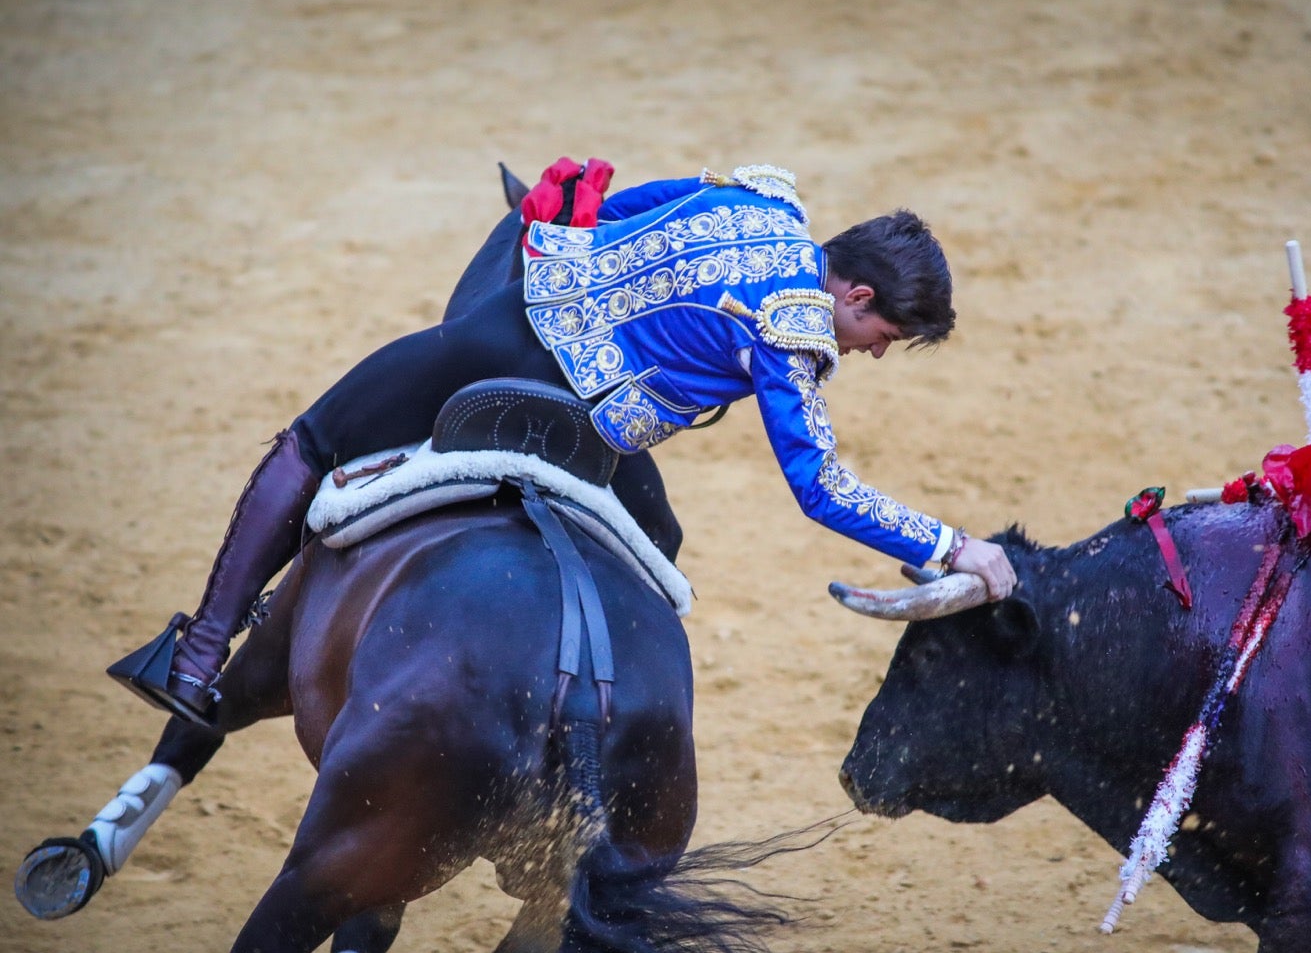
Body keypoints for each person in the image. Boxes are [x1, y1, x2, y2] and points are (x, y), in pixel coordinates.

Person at [110, 161, 1017, 729]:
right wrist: (952, 545)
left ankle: (199, 656)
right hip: (590, 430)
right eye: (884, 337)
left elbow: (616, 209)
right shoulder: (794, 331)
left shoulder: (760, 198)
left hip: (504, 332)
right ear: (854, 297)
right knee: (655, 550)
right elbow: (819, 487)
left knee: (311, 444)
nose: (872, 353)